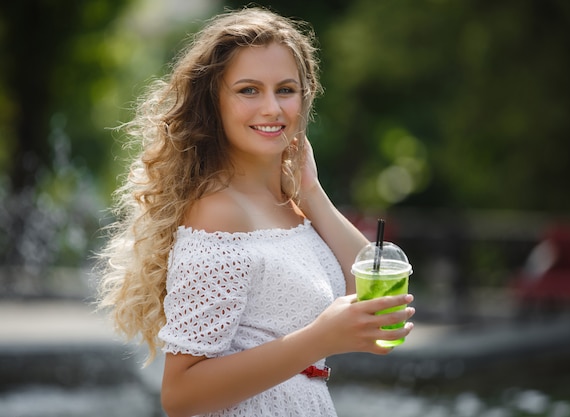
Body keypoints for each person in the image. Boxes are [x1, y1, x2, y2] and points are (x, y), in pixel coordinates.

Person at [97, 7, 415, 417]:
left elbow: (381, 296)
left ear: (305, 96)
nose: (272, 108)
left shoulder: (293, 203)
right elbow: (180, 396)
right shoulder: (218, 213)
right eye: (249, 90)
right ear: (215, 102)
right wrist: (320, 339)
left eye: (286, 90)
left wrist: (313, 193)